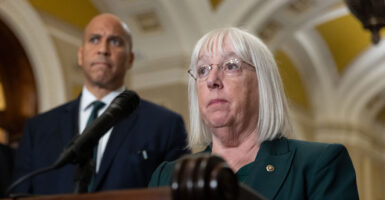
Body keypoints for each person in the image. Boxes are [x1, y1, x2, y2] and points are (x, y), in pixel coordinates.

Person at [148, 27, 359, 199]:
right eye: (202, 70)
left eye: (231, 66)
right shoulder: (166, 176)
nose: (212, 80)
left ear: (263, 84)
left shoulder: (319, 164)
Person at [12, 13, 190, 195]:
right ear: (81, 55)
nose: (103, 49)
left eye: (115, 42)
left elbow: (177, 194)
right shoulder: (38, 129)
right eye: (94, 39)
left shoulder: (165, 125)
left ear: (130, 59)